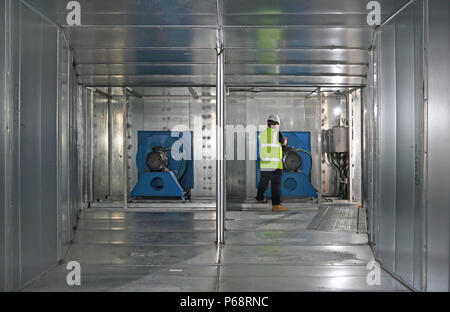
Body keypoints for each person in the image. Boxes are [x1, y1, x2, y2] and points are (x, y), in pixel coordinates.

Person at [256, 114, 289, 212]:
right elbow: (283, 142)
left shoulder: (263, 134)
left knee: (263, 182)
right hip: (275, 164)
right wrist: (284, 141)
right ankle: (276, 205)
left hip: (266, 163)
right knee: (276, 185)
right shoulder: (277, 133)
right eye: (277, 124)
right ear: (275, 124)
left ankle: (259, 199)